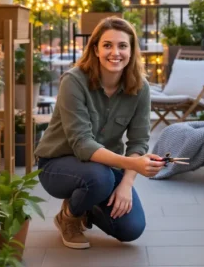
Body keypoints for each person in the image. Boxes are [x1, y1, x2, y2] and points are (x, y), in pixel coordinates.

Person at [34, 17, 166, 249]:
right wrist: (133, 164)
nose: (115, 52)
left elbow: (139, 142)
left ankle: (87, 203)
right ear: (95, 49)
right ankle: (69, 216)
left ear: (132, 50)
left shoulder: (141, 88)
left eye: (122, 46)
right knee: (99, 178)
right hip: (57, 165)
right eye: (107, 45)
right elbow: (83, 144)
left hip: (104, 168)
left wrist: (126, 184)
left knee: (131, 229)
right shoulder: (73, 81)